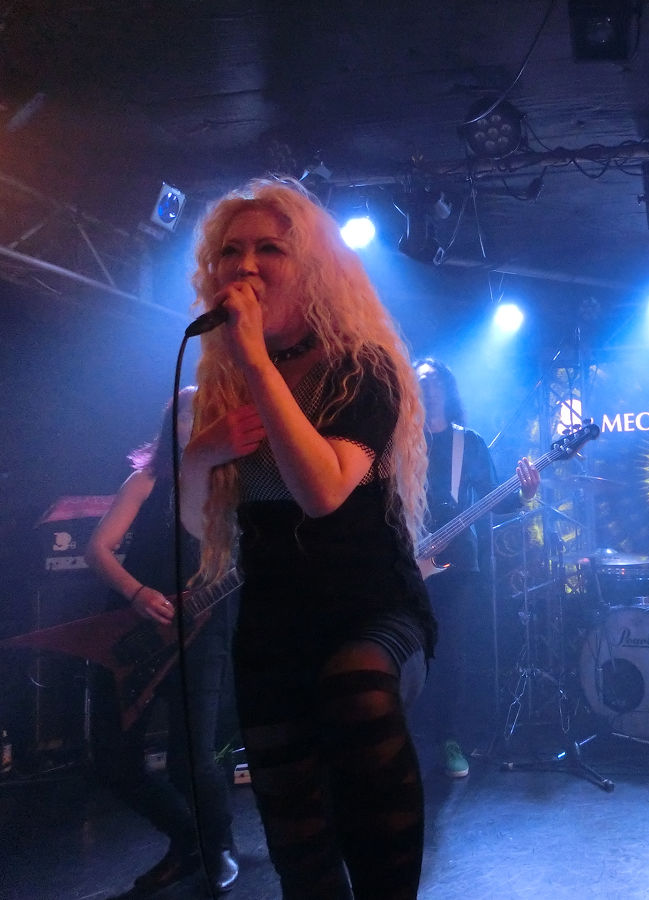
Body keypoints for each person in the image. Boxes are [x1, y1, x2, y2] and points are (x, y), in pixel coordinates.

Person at [179, 177, 434, 899]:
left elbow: (323, 491)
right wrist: (198, 456)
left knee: (358, 691)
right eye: (231, 251)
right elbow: (197, 526)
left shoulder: (363, 366)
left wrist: (257, 364)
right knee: (299, 841)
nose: (246, 265)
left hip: (368, 605)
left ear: (313, 267)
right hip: (272, 621)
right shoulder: (225, 379)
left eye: (270, 248)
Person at [85, 387, 240, 898]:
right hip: (133, 633)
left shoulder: (233, 488)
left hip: (203, 635)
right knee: (112, 758)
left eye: (205, 415)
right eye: (185, 415)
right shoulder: (146, 480)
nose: (194, 424)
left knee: (191, 758)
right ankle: (192, 841)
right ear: (170, 424)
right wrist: (136, 593)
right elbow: (98, 548)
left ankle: (214, 848)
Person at [413, 357, 538, 778]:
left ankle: (448, 738)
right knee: (406, 650)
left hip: (456, 562)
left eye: (433, 380)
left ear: (447, 388)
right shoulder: (400, 438)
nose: (427, 387)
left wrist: (524, 494)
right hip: (403, 556)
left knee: (449, 652)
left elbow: (495, 498)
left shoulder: (468, 443)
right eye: (419, 380)